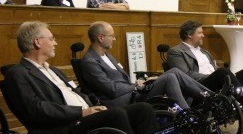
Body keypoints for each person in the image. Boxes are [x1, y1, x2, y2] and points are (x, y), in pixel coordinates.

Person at [1, 21, 196, 134]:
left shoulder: (52, 70)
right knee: (116, 115)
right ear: (37, 42)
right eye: (51, 39)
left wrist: (91, 107)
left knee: (143, 109)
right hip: (62, 132)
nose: (55, 42)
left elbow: (76, 93)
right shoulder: (17, 74)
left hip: (82, 118)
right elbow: (37, 109)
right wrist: (81, 112)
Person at [166, 20, 243, 122]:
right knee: (223, 72)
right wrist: (212, 76)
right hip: (199, 87)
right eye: (200, 33)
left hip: (217, 82)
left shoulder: (204, 52)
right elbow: (185, 76)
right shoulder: (176, 51)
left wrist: (218, 76)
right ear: (189, 35)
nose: (203, 35)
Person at [80, 21, 211, 109]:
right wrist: (135, 86)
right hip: (118, 100)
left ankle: (210, 97)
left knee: (175, 72)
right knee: (169, 78)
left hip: (129, 92)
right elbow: (111, 89)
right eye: (112, 36)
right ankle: (188, 114)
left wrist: (142, 82)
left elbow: (121, 80)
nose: (114, 39)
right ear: (101, 38)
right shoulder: (90, 61)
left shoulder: (107, 55)